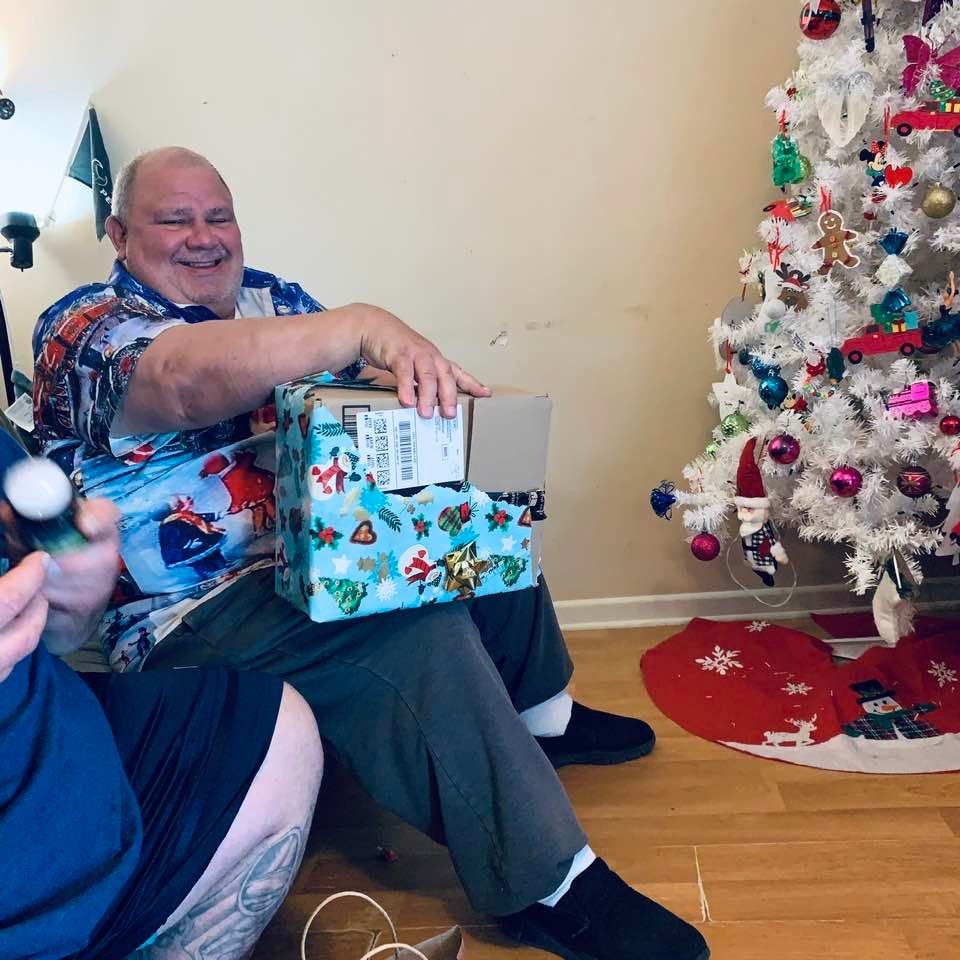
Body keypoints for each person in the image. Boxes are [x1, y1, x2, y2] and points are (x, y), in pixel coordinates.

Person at [33, 147, 709, 960]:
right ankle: (548, 880)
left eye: (218, 215)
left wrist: (432, 410)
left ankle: (543, 718)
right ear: (118, 233)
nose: (203, 237)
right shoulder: (81, 326)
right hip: (194, 604)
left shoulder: (272, 300)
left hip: (321, 546)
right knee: (411, 634)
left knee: (479, 524)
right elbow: (181, 381)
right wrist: (362, 323)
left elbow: (363, 391)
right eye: (173, 219)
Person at [0, 428, 323, 958]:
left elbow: (59, 634)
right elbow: (177, 380)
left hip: (71, 776)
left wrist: (76, 597)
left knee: (276, 732)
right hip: (21, 905)